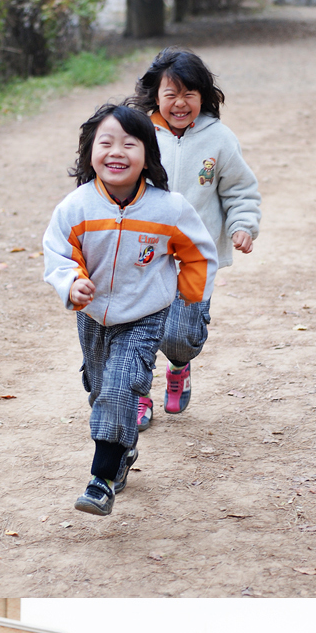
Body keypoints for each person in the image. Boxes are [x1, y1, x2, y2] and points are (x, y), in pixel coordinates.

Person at [43, 104, 217, 516]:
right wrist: (72, 283)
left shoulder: (168, 208)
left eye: (129, 144)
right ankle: (121, 450)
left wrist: (189, 298)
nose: (116, 152)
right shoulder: (76, 207)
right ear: (90, 152)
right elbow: (59, 254)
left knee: (121, 385)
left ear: (147, 155)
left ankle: (100, 480)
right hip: (93, 316)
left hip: (145, 316)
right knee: (101, 389)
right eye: (105, 142)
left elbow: (199, 254)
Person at [130, 49, 261, 427]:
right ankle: (137, 394)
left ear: (203, 96)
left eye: (189, 94)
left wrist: (242, 224)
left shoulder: (219, 138)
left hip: (194, 257)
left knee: (179, 336)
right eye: (170, 94)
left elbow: (240, 190)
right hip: (144, 254)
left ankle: (179, 365)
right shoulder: (138, 134)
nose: (180, 103)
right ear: (155, 95)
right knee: (135, 330)